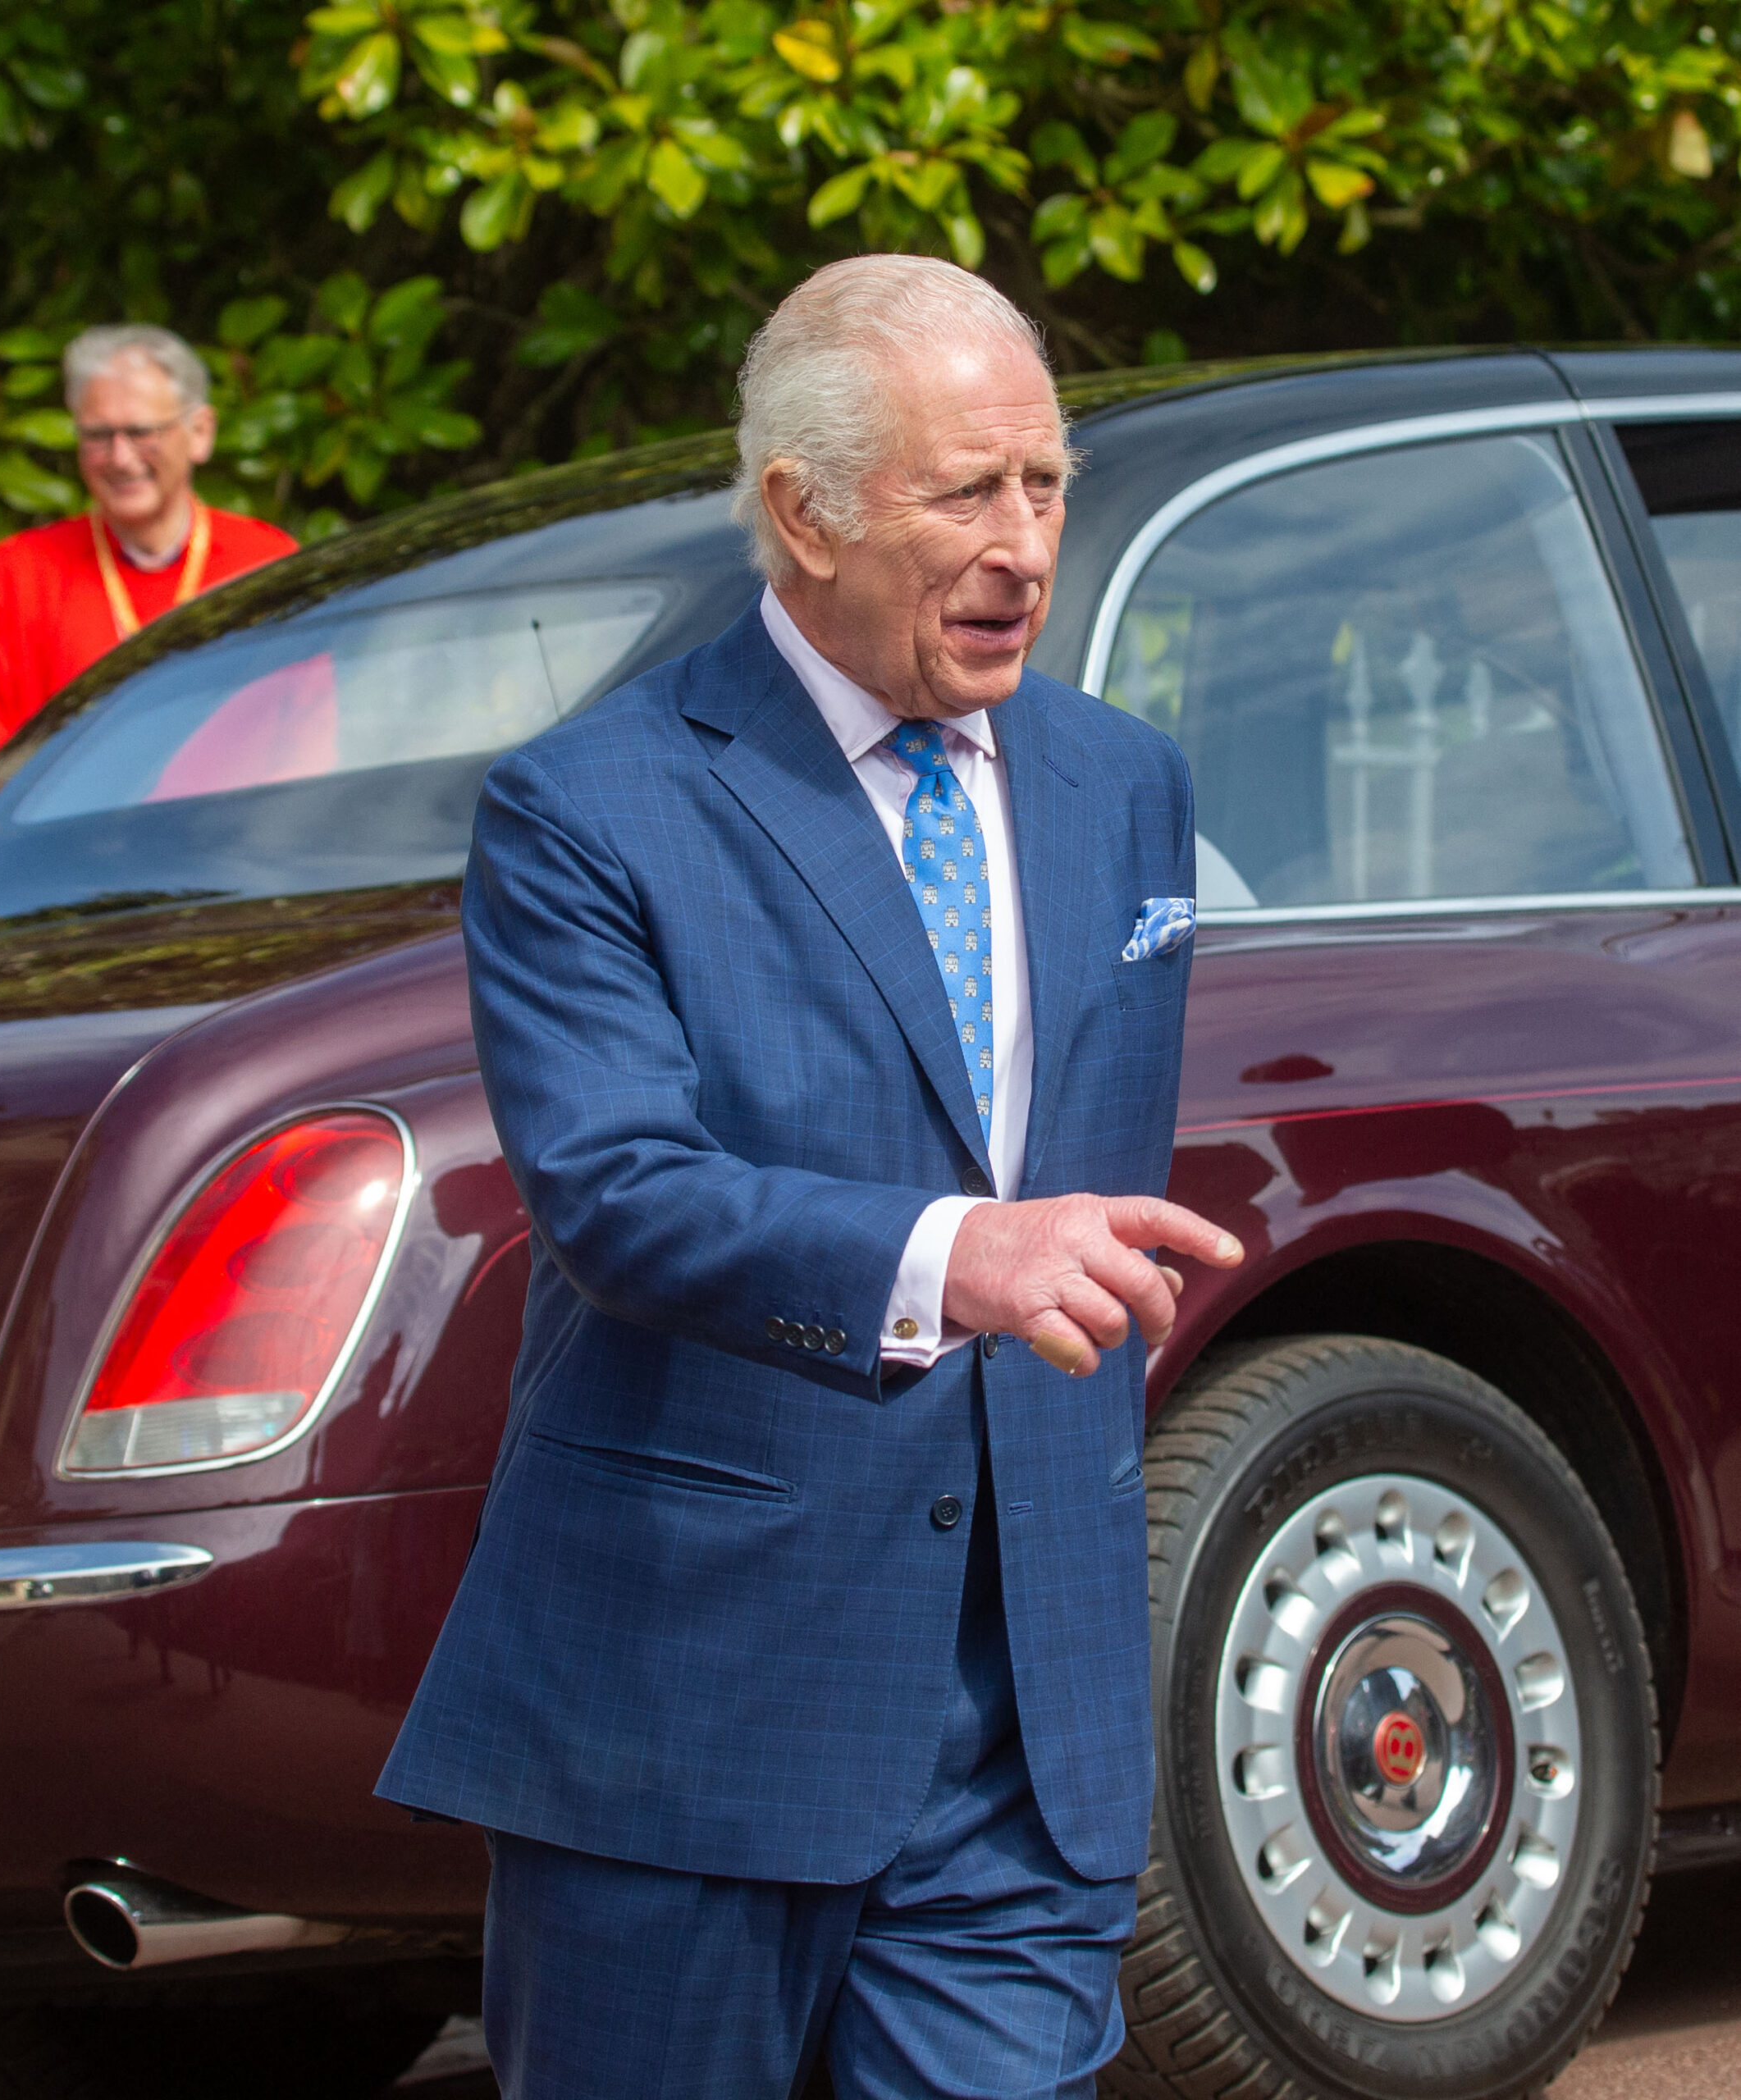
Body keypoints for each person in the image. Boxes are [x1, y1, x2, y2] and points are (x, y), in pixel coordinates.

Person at [378, 255, 1243, 2099]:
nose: (1022, 545)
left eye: (1044, 483)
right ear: (804, 513)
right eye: (964, 493)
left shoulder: (1124, 785)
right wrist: (954, 1254)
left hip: (1025, 1730)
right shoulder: (587, 806)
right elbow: (613, 1191)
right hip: (690, 1706)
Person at [0, 324, 296, 754]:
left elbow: (306, 737)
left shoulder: (267, 563)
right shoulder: (13, 578)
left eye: (141, 432)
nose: (120, 458)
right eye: (98, 435)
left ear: (200, 432)